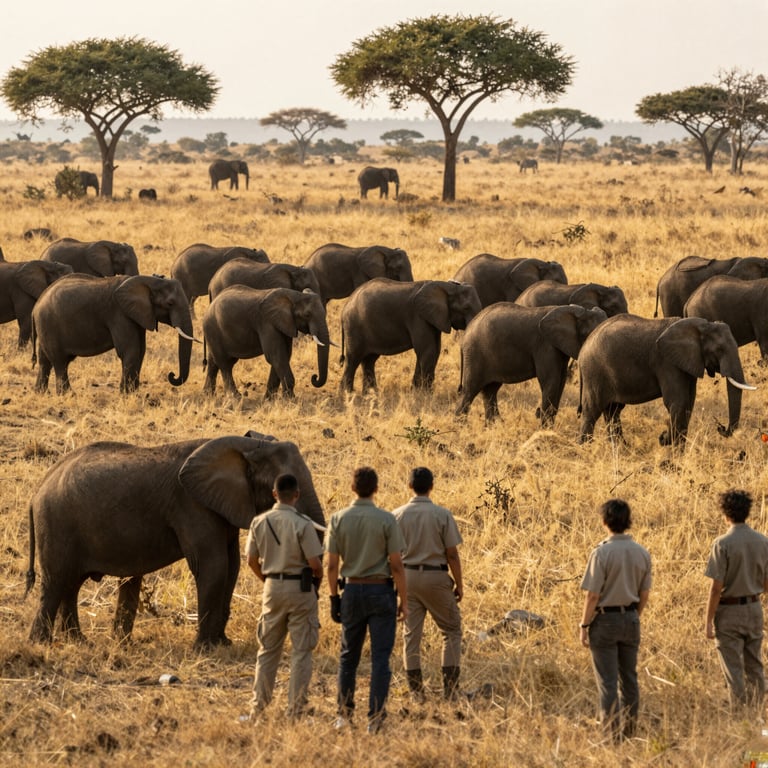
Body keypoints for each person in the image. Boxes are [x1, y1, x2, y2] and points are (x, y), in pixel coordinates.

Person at [326, 466, 408, 733]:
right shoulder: (386, 520)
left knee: (348, 655)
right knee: (381, 659)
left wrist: (332, 597)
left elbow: (331, 565)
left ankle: (344, 714)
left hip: (350, 591)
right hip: (382, 592)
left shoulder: (338, 519)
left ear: (352, 488)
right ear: (376, 489)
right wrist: (404, 600)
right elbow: (396, 565)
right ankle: (375, 717)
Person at [244, 473, 324, 719]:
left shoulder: (259, 521)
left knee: (267, 650)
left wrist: (266, 580)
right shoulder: (303, 523)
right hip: (300, 589)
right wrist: (315, 585)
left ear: (274, 494)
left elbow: (251, 560)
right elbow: (315, 564)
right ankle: (295, 709)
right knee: (301, 652)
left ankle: (258, 708)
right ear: (297, 495)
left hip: (272, 588)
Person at [580, 498, 651, 742]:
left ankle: (611, 736)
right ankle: (630, 731)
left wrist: (584, 625)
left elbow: (592, 595)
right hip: (631, 617)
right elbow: (644, 594)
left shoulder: (601, 553)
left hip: (604, 621)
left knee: (608, 682)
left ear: (604, 521)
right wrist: (633, 616)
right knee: (629, 678)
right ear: (628, 521)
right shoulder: (642, 553)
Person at [393, 466, 464, 701]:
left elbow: (390, 555)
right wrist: (459, 584)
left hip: (407, 577)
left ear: (409, 486)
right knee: (451, 630)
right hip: (436, 576)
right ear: (432, 486)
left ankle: (416, 693)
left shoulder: (397, 515)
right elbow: (452, 554)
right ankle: (451, 692)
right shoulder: (442, 514)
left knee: (411, 634)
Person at [704, 489, 768, 710]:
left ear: (725, 514)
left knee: (733, 668)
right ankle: (759, 712)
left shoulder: (722, 543)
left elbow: (716, 588)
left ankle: (740, 715)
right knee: (755, 666)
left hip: (729, 611)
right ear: (748, 512)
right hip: (754, 607)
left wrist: (708, 620)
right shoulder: (763, 541)